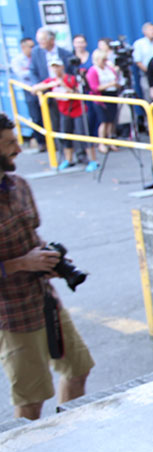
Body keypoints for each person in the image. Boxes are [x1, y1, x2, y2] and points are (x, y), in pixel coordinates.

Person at [0, 113, 94, 421]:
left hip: (45, 300)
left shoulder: (19, 185)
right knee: (31, 401)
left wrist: (47, 262)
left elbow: (32, 235)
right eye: (10, 143)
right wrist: (21, 263)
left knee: (79, 369)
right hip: (13, 316)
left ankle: (65, 430)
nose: (19, 149)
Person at [29, 61, 98, 172]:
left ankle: (93, 160)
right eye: (53, 67)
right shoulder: (52, 81)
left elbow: (78, 93)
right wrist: (50, 85)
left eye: (57, 67)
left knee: (83, 135)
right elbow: (34, 89)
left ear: (62, 67)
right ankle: (68, 159)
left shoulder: (71, 79)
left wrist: (64, 87)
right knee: (65, 135)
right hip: (65, 112)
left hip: (78, 110)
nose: (56, 70)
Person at [30, 28, 73, 153]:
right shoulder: (36, 52)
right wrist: (38, 85)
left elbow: (71, 72)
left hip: (64, 92)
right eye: (39, 40)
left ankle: (72, 150)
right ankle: (59, 150)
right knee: (53, 123)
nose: (40, 43)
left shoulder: (64, 53)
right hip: (48, 93)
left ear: (52, 40)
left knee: (68, 122)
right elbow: (33, 70)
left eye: (43, 40)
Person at [86, 50, 120, 154]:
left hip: (112, 95)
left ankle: (110, 140)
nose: (105, 61)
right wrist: (110, 84)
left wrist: (116, 84)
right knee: (104, 121)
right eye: (103, 59)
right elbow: (94, 87)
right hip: (101, 98)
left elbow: (117, 80)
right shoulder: (93, 71)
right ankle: (101, 143)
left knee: (111, 121)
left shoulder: (109, 69)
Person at [12, 38, 39, 150]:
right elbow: (22, 75)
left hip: (40, 89)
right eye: (30, 46)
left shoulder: (37, 57)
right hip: (29, 90)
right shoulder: (17, 60)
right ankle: (40, 141)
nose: (33, 49)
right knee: (35, 117)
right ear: (23, 47)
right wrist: (33, 71)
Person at [132, 22, 153, 100]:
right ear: (144, 32)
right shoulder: (139, 44)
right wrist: (150, 72)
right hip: (146, 75)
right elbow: (138, 61)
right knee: (149, 97)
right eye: (150, 30)